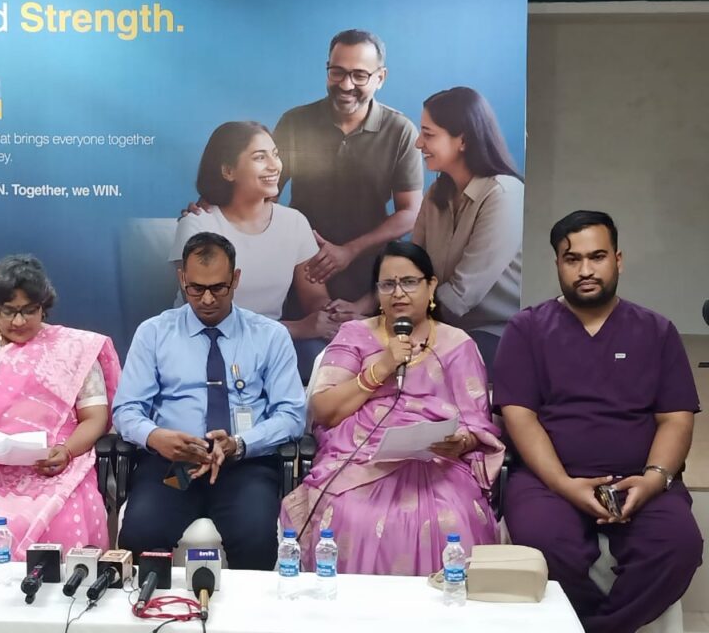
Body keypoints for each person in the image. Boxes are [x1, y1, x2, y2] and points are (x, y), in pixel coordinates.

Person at [493, 211, 702, 633]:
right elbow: (520, 416)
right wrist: (562, 484)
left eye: (597, 256)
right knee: (544, 543)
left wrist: (654, 479)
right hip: (549, 480)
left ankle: (596, 627)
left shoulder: (656, 330)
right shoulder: (526, 329)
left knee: (679, 545)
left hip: (639, 477)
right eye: (572, 259)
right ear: (557, 264)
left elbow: (675, 418)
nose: (585, 270)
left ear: (618, 260)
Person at [280, 241, 503, 575]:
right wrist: (381, 367)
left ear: (431, 286)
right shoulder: (354, 335)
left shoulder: (458, 345)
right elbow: (324, 409)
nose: (398, 293)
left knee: (454, 517)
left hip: (437, 464)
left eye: (409, 282)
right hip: (359, 458)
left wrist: (461, 442)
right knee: (351, 514)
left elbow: (476, 423)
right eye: (387, 284)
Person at [113, 232, 305, 570]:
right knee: (142, 534)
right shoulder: (154, 333)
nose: (206, 299)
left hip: (242, 464)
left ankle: (242, 608)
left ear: (236, 279)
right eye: (196, 288)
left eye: (218, 288)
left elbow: (291, 415)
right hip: (177, 465)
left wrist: (240, 443)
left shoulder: (269, 336)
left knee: (255, 539)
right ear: (182, 279)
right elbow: (126, 410)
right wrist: (157, 437)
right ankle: (154, 602)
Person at [0, 255, 121, 559]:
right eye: (8, 311)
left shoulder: (72, 348)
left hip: (53, 470)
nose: (18, 321)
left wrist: (66, 452)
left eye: (29, 311)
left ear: (44, 307)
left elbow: (95, 417)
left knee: (62, 523)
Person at [171, 121, 356, 382]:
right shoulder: (198, 226)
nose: (275, 165)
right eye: (260, 157)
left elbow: (314, 296)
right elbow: (208, 314)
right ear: (228, 171)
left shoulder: (294, 222)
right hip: (207, 345)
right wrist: (298, 328)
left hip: (269, 344)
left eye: (275, 154)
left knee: (327, 360)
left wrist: (329, 314)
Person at [273, 29, 423, 304]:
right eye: (337, 72)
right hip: (301, 268)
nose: (345, 85)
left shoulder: (400, 130)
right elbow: (264, 192)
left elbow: (410, 212)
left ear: (380, 78)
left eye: (359, 75)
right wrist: (215, 207)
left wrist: (350, 250)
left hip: (369, 278)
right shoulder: (294, 122)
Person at [411, 86, 524, 368]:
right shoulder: (436, 194)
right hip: (443, 328)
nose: (418, 143)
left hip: (497, 334)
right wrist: (371, 312)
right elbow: (410, 268)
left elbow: (461, 295)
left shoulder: (503, 194)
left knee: (421, 365)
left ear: (463, 140)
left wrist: (399, 322)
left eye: (428, 134)